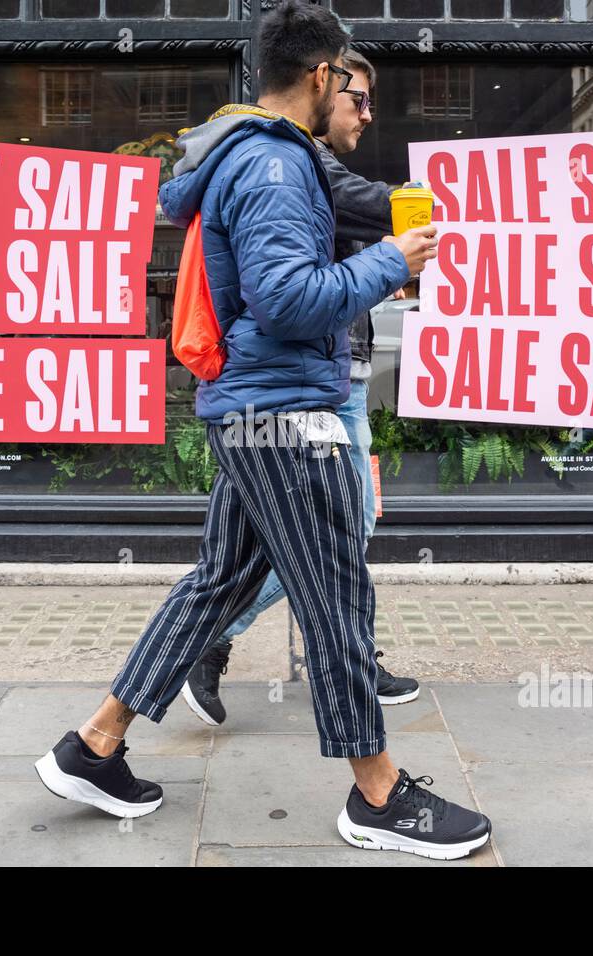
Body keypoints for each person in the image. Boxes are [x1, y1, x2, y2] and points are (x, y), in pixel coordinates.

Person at [34, 0, 491, 860]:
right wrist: (389, 262)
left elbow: (283, 282)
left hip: (252, 408)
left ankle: (93, 746)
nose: (354, 104)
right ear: (321, 75)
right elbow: (285, 302)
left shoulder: (250, 156)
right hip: (282, 414)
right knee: (337, 598)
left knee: (216, 584)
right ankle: (379, 795)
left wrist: (364, 259)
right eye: (349, 87)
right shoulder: (277, 168)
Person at [181, 48, 420, 729]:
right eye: (358, 100)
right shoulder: (295, 161)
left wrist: (382, 259)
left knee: (280, 543)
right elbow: (298, 285)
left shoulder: (288, 159)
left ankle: (335, 657)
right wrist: (423, 213)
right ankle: (220, 643)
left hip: (311, 379)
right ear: (321, 87)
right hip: (307, 385)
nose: (368, 115)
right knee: (336, 530)